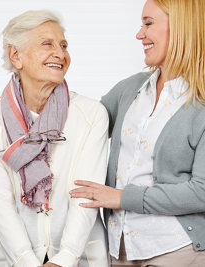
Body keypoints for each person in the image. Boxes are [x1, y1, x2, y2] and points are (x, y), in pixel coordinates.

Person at [69, 0, 205, 266]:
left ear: (181, 28)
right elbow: (78, 124)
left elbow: (202, 191)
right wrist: (12, 105)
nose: (139, 34)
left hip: (177, 250)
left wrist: (121, 197)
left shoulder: (200, 103)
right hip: (120, 250)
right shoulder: (130, 90)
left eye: (148, 23)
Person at [0, 10, 109, 267]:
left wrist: (66, 257)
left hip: (78, 256)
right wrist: (26, 260)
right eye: (47, 44)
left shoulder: (92, 114)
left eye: (64, 45)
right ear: (16, 56)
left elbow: (86, 194)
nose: (60, 53)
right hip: (10, 258)